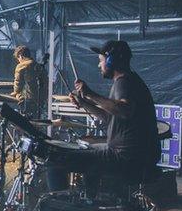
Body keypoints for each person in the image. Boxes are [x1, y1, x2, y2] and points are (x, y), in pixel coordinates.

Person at [46, 40, 160, 197]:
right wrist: (85, 102)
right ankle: (90, 202)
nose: (99, 66)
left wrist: (90, 94)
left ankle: (61, 209)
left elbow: (124, 110)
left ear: (112, 61)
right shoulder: (130, 81)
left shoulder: (124, 83)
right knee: (90, 155)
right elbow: (109, 117)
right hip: (131, 156)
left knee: (54, 161)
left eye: (101, 61)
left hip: (123, 157)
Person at [12, 45, 45, 119]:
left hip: (28, 100)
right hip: (40, 100)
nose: (18, 61)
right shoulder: (38, 66)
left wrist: (14, 93)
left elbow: (18, 83)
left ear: (20, 56)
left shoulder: (21, 66)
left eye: (18, 58)